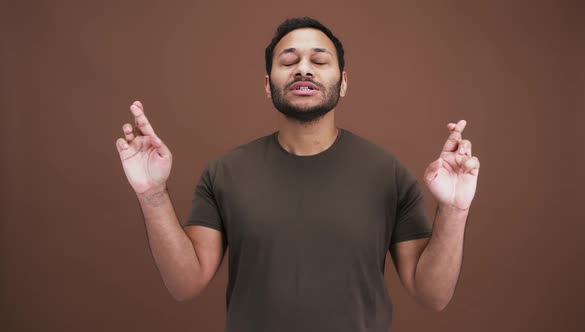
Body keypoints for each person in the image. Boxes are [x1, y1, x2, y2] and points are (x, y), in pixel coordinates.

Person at [115, 17, 480, 332]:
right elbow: (185, 284)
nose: (303, 69)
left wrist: (455, 210)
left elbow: (433, 295)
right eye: (288, 61)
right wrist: (152, 194)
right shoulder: (224, 172)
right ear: (267, 84)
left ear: (344, 82)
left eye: (319, 60)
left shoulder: (389, 174)